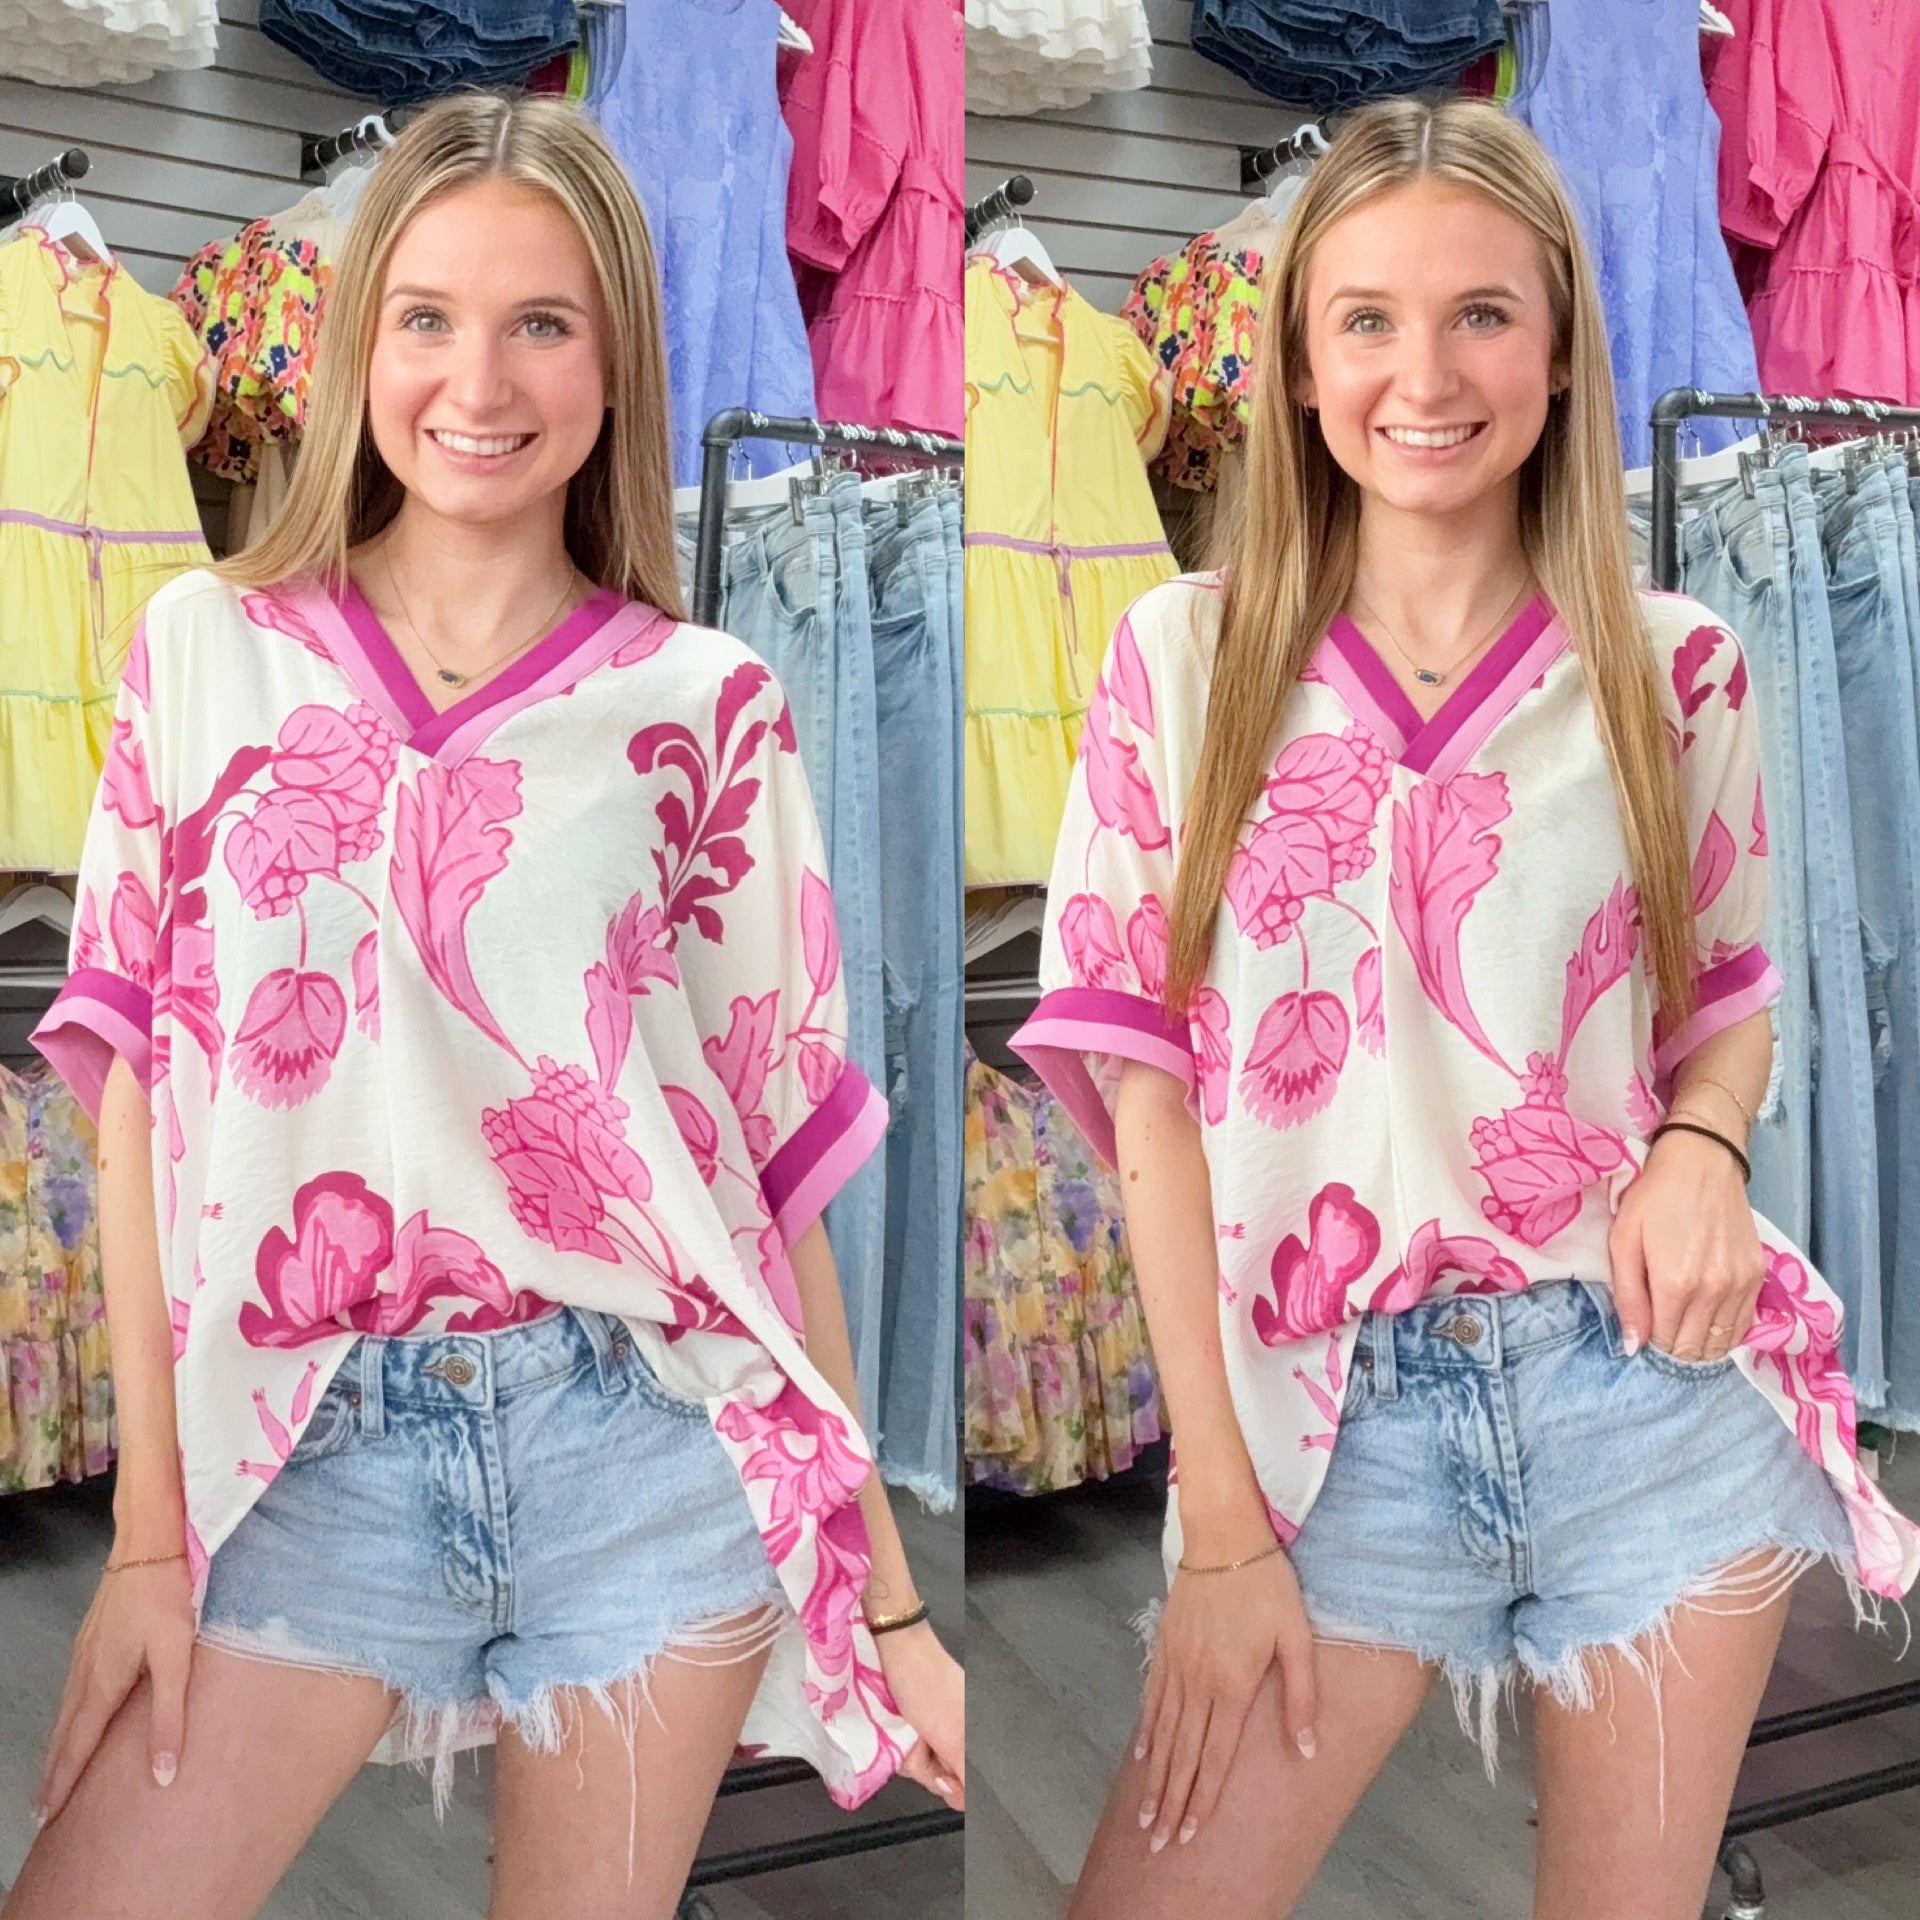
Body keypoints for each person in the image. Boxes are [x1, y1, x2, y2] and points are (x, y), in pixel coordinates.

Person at [8, 91, 963, 1920]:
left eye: (542, 324)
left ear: (615, 366)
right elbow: (134, 1095)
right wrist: (143, 1538)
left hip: (642, 1448)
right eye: (428, 317)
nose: (478, 380)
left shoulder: (712, 701)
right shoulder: (203, 651)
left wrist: (896, 1604)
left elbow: (772, 1177)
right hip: (300, 1447)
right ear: (361, 341)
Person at [1010, 97, 1918, 1920]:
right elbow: (1147, 1095)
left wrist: (1700, 1146)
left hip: (1649, 1398)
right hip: (1317, 1431)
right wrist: (1219, 1516)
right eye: (1368, 319)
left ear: (1561, 351)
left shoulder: (1677, 667)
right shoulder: (1181, 661)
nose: (1423, 376)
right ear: (1298, 364)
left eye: (1482, 315)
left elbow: (1730, 1000)